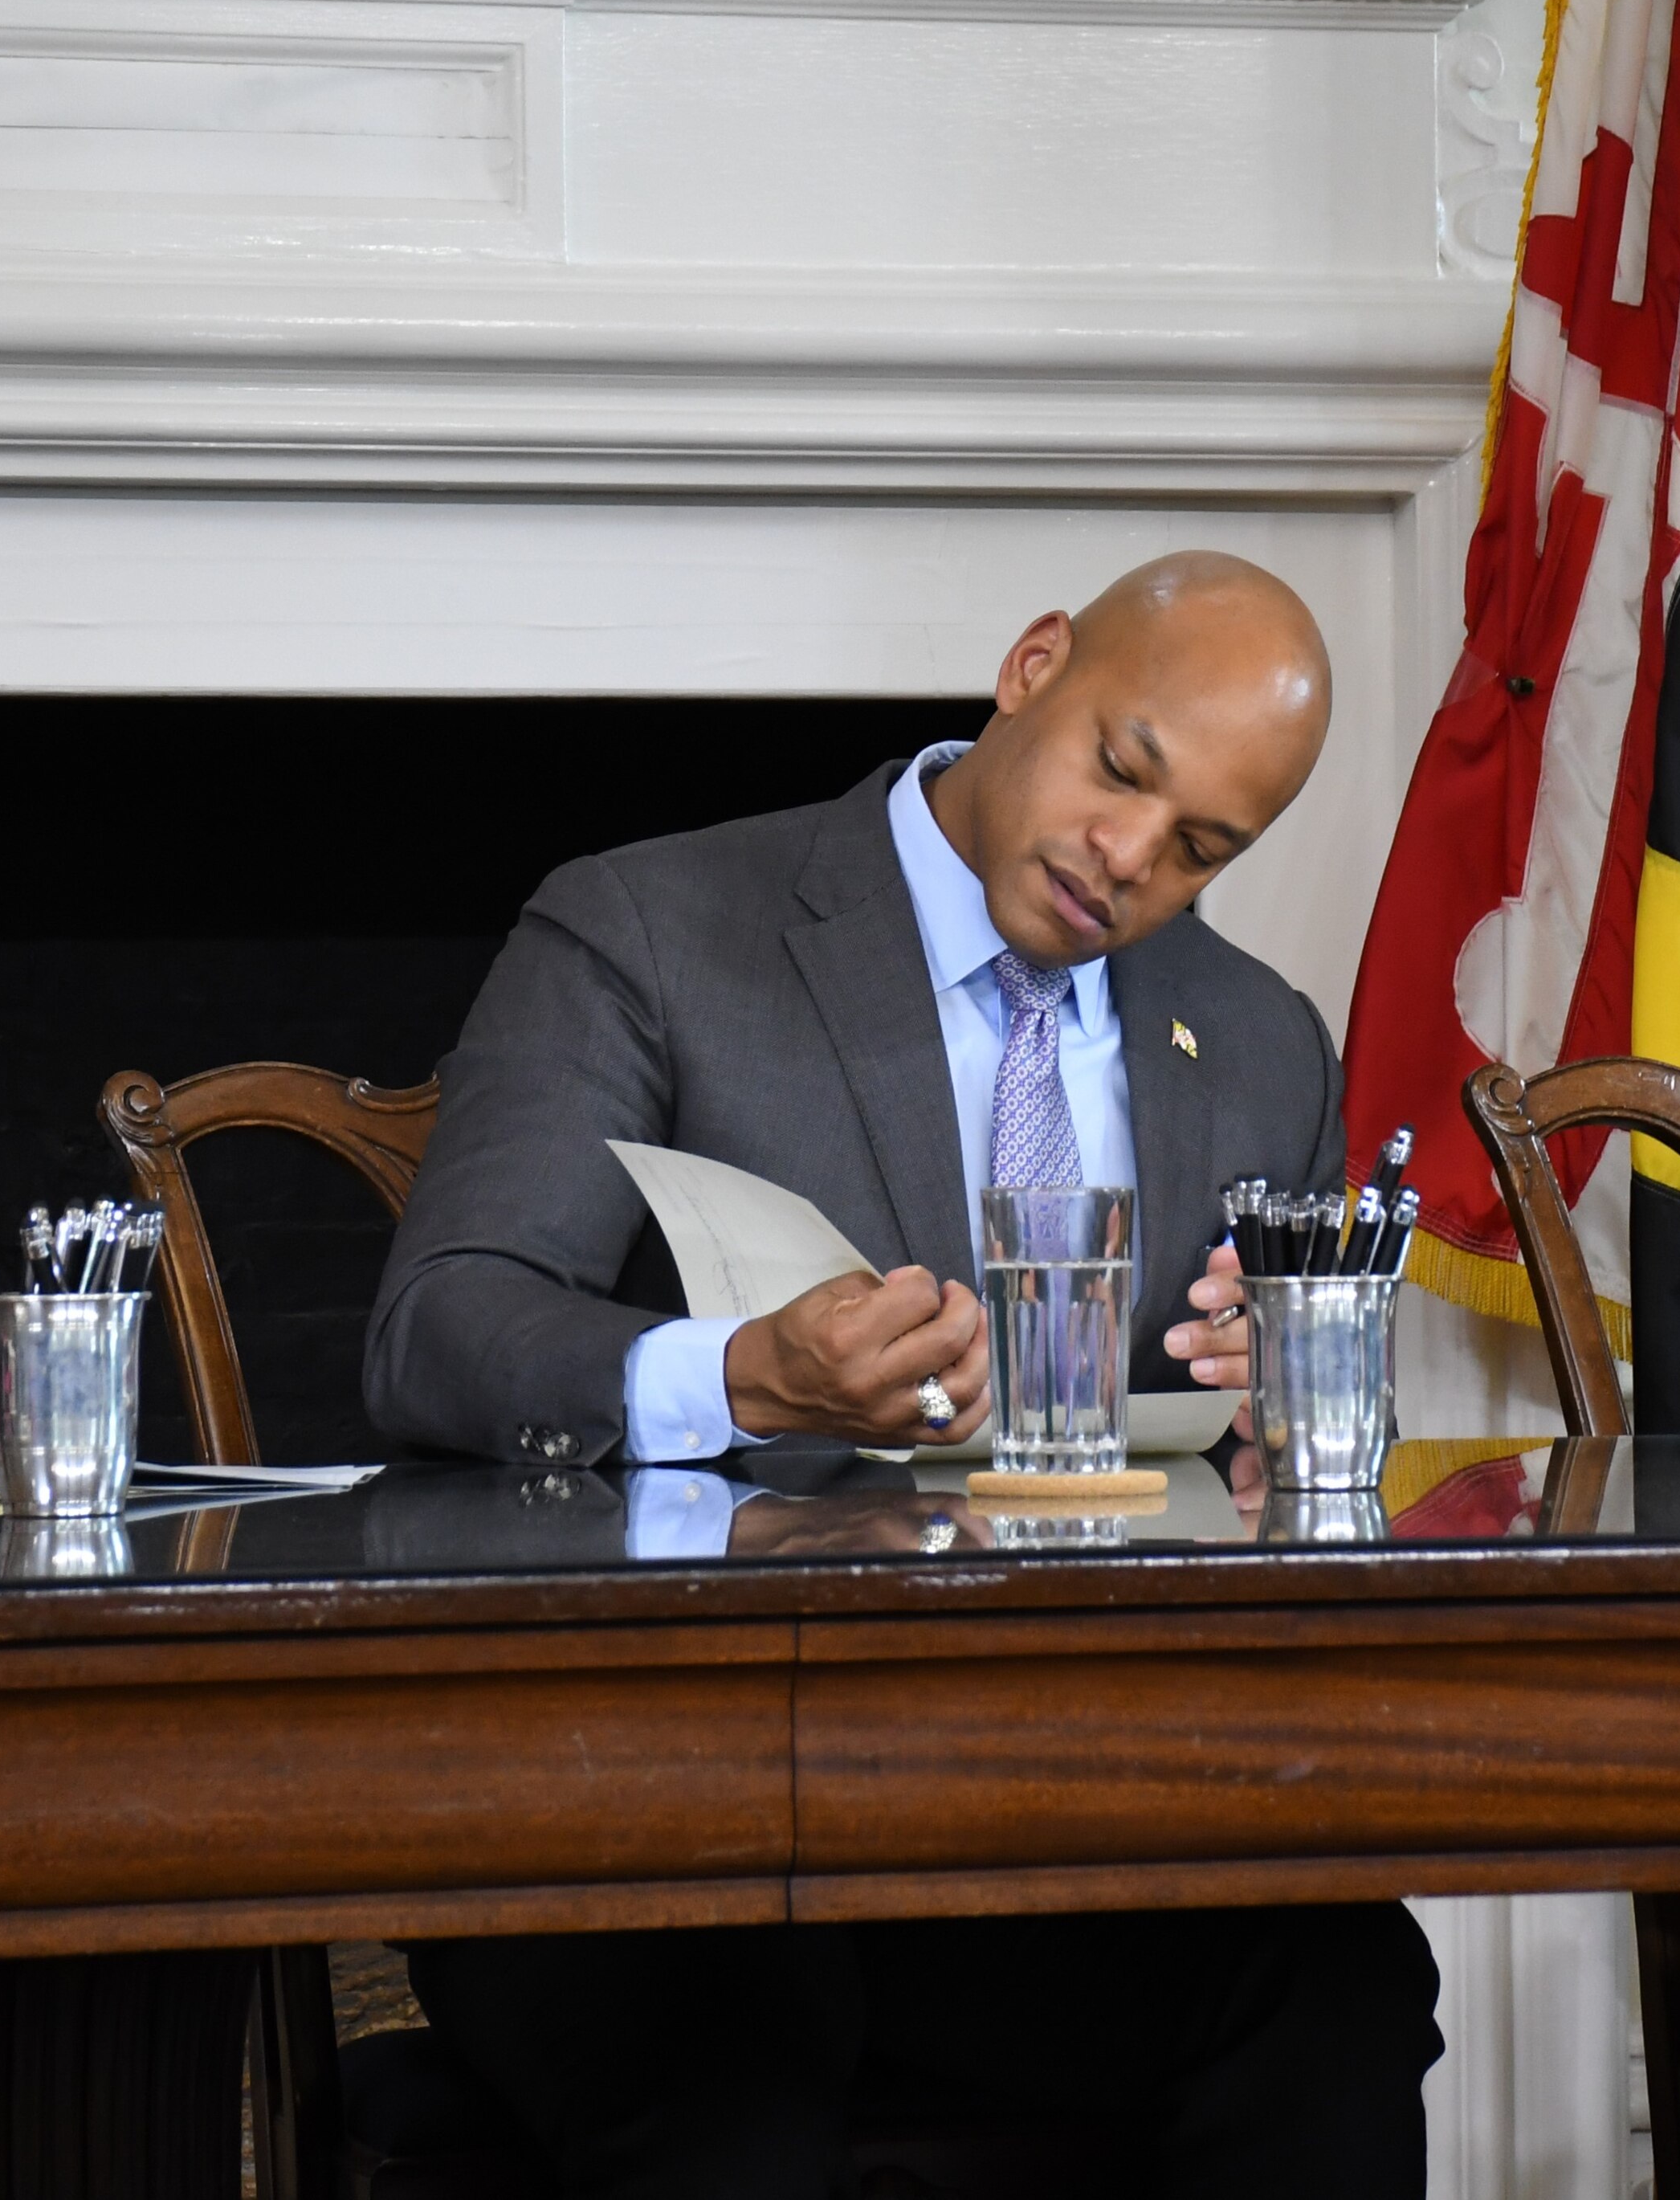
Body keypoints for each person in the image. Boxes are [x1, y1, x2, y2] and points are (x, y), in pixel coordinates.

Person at [361, 551, 1442, 2197]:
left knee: (1335, 1978)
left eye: (1202, 850)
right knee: (732, 2034)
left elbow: (1255, 1497)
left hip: (1035, 1830)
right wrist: (737, 1377)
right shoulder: (653, 925)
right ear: (1031, 666)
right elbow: (439, 1325)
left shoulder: (1261, 1037)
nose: (1128, 862)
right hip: (650, 1819)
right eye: (1120, 773)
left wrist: (1280, 1400)